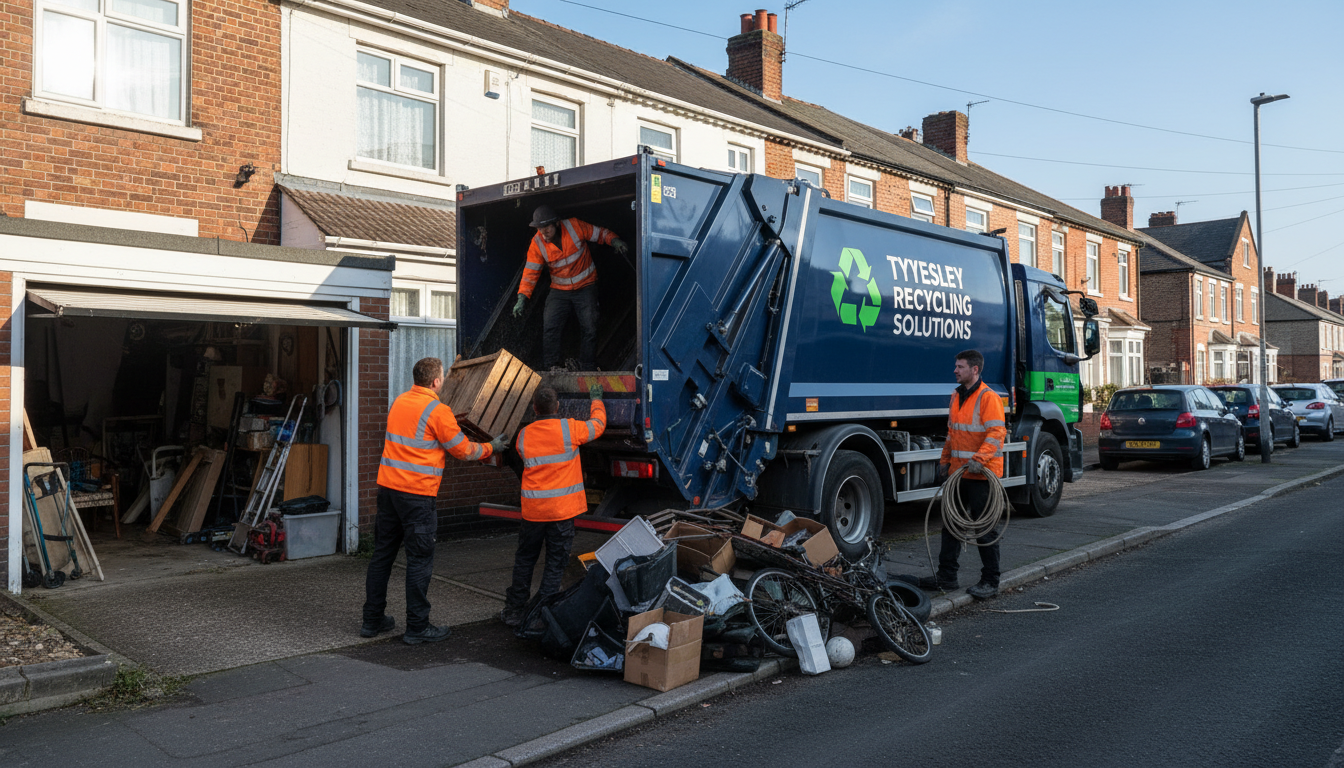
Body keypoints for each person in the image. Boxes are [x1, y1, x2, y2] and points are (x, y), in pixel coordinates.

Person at [362, 357, 506, 644]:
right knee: (419, 560)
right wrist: (492, 446)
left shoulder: (400, 402)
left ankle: (372, 620)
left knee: (382, 557)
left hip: (388, 491)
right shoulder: (438, 411)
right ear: (436, 382)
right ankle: (417, 627)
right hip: (417, 496)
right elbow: (463, 450)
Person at [498, 382, 607, 627]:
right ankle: (542, 613)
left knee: (525, 560)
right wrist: (596, 400)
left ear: (535, 409)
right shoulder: (570, 430)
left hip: (534, 512)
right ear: (557, 406)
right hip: (561, 511)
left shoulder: (524, 436)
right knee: (555, 563)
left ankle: (514, 610)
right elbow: (598, 426)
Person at [919, 349, 1007, 600]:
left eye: (960, 367)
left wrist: (978, 460)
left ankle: (991, 581)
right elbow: (953, 433)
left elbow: (996, 434)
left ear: (974, 370)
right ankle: (947, 577)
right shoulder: (956, 397)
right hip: (959, 474)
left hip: (982, 474)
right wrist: (944, 462)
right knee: (952, 525)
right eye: (956, 366)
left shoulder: (988, 397)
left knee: (985, 530)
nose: (955, 370)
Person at [512, 205, 627, 371]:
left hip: (586, 285)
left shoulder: (574, 226)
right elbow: (530, 273)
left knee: (589, 326)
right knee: (550, 325)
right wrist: (522, 297)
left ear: (556, 223)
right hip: (559, 290)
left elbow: (600, 233)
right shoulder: (537, 243)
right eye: (540, 228)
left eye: (546, 227)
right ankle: (551, 367)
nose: (543, 232)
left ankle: (587, 365)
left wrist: (614, 240)